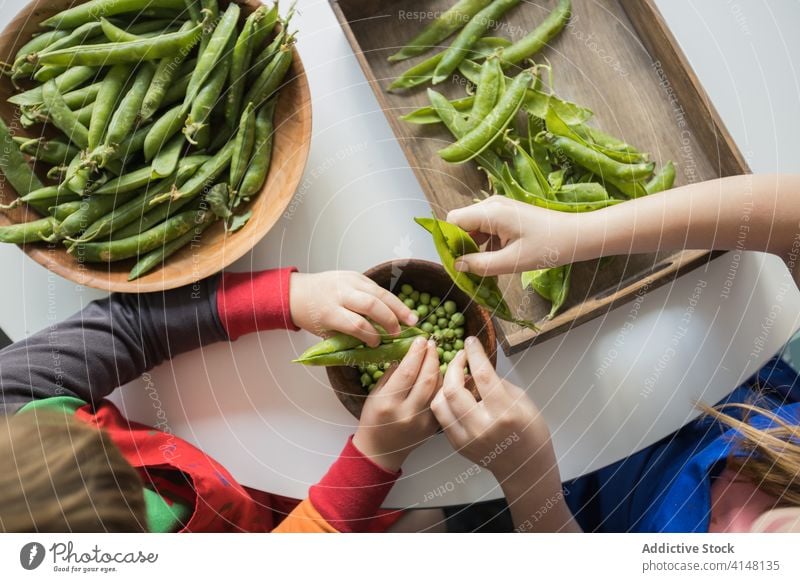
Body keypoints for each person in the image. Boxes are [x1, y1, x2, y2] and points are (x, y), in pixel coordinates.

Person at [432, 174, 800, 532]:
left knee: (454, 506)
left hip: (574, 485)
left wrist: (527, 480)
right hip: (712, 362)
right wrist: (576, 232)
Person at [0, 267, 442, 533]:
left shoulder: (10, 392)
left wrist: (289, 297)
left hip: (246, 480)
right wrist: (375, 456)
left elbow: (134, 328)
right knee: (438, 519)